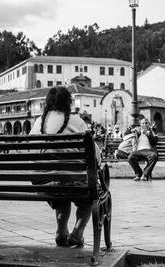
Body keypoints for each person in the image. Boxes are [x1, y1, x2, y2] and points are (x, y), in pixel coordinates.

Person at [29, 86, 99, 247]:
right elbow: (94, 155)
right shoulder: (77, 122)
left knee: (59, 186)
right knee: (89, 197)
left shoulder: (39, 122)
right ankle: (77, 232)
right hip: (73, 183)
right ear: (68, 102)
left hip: (44, 184)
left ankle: (61, 232)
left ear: (47, 103)